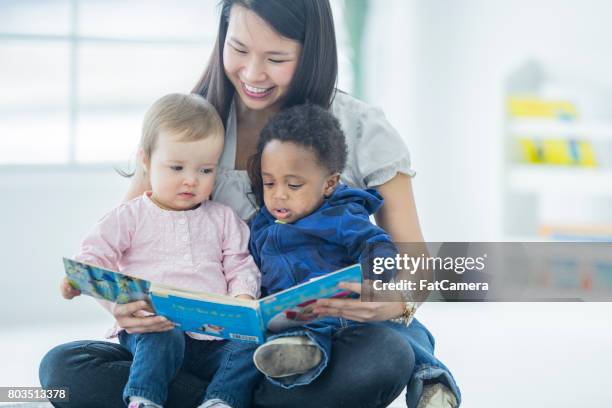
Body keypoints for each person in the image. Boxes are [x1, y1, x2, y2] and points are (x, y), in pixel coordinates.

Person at [40, 1, 461, 407]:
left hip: (305, 347)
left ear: (312, 53)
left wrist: (397, 301)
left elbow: (413, 258)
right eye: (238, 49)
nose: (253, 73)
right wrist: (122, 307)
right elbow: (128, 226)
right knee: (64, 368)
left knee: (386, 353)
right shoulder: (191, 125)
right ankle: (234, 399)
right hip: (192, 344)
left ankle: (223, 398)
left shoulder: (363, 128)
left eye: (276, 58)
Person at [59, 93, 262, 408]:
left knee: (251, 347)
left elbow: (240, 266)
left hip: (214, 339)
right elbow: (92, 258)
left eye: (206, 170)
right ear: (146, 160)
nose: (191, 181)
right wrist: (78, 281)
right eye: (177, 167)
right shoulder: (130, 216)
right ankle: (145, 399)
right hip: (152, 333)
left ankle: (221, 400)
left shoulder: (222, 218)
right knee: (156, 335)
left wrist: (243, 299)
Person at [246, 102, 405, 389]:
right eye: (269, 184)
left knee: (402, 331)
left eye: (293, 186)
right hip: (285, 318)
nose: (279, 195)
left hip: (339, 312)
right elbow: (251, 267)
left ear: (329, 184)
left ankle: (430, 373)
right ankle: (293, 360)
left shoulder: (341, 216)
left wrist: (373, 279)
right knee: (264, 342)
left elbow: (380, 246)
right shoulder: (261, 226)